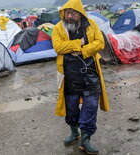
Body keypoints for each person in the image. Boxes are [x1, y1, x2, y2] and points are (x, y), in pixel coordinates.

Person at [52, 0, 109, 154]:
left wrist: (83, 51)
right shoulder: (58, 27)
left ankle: (85, 140)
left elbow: (100, 42)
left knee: (90, 107)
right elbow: (58, 47)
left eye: (73, 13)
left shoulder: (91, 24)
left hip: (90, 74)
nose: (69, 16)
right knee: (71, 108)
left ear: (80, 13)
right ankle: (74, 132)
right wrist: (79, 43)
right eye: (66, 12)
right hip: (69, 76)